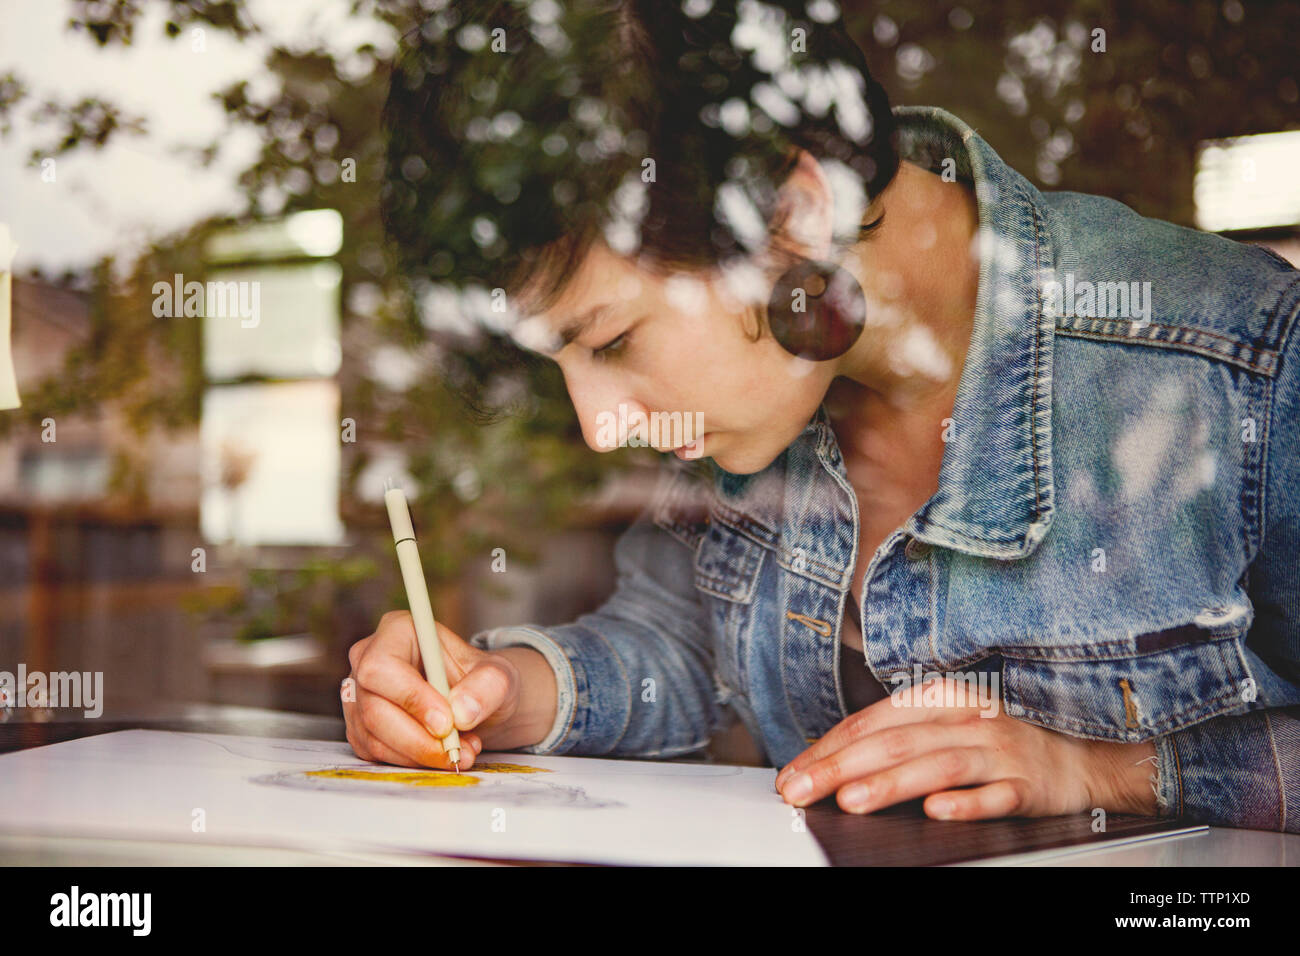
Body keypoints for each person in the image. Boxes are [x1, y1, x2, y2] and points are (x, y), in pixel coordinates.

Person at [345, 0, 1300, 831]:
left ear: (792, 212)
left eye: (611, 341)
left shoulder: (1245, 365)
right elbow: (680, 645)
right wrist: (497, 696)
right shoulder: (763, 392)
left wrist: (1107, 775)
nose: (600, 427)